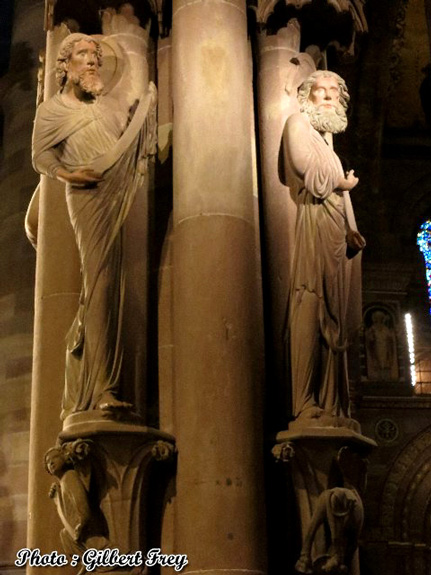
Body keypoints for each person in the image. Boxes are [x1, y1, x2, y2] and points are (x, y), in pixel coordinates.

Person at [32, 33, 153, 420]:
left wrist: (143, 121)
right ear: (64, 65)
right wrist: (68, 174)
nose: (92, 62)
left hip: (115, 191)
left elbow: (123, 145)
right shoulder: (52, 111)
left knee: (115, 287)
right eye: (83, 55)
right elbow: (40, 156)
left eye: (96, 57)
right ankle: (100, 386)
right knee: (99, 284)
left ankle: (105, 381)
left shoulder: (105, 110)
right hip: (86, 197)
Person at [283, 70, 365, 422]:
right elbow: (303, 166)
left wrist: (351, 230)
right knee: (309, 300)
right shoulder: (297, 123)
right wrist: (341, 182)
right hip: (313, 225)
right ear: (307, 96)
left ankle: (331, 403)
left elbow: (337, 193)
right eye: (321, 90)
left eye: (335, 91)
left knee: (334, 315)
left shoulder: (328, 142)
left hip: (335, 236)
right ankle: (304, 402)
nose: (329, 96)